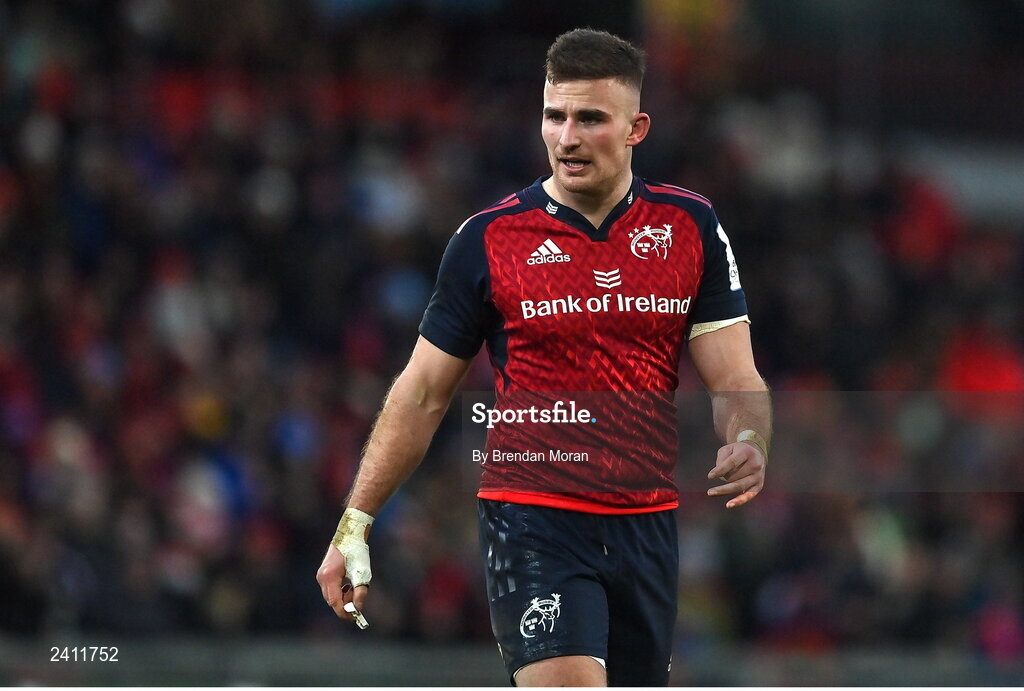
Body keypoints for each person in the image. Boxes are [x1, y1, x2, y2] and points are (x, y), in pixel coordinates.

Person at [316, 28, 771, 686]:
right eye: (555, 116)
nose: (567, 136)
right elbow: (420, 392)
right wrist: (355, 522)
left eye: (590, 118)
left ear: (636, 127)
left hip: (647, 524)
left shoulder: (689, 228)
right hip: (533, 516)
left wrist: (750, 436)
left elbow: (736, 376)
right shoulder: (488, 240)